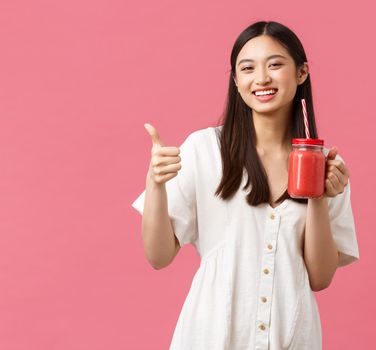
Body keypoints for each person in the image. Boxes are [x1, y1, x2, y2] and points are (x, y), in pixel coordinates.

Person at [131, 20, 359, 350]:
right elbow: (158, 255)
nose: (262, 78)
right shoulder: (204, 149)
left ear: (302, 72)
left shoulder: (326, 164)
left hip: (291, 338)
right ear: (237, 81)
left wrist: (319, 196)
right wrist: (155, 184)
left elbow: (320, 278)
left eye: (276, 64)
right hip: (210, 336)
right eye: (248, 68)